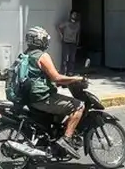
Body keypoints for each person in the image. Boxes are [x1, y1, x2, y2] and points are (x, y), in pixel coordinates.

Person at [22, 25, 85, 159]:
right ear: (39, 41)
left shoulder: (26, 55)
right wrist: (76, 78)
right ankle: (66, 140)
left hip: (30, 98)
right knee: (78, 105)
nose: (46, 41)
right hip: (42, 98)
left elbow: (40, 76)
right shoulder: (42, 56)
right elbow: (56, 77)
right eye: (44, 39)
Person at [57, 10, 81, 75]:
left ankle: (70, 72)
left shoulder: (78, 24)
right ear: (70, 15)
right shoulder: (66, 23)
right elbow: (59, 27)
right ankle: (63, 72)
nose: (74, 16)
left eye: (75, 15)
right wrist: (61, 36)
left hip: (73, 43)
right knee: (65, 58)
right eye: (73, 14)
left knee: (72, 58)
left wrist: (77, 41)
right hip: (66, 42)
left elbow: (78, 33)